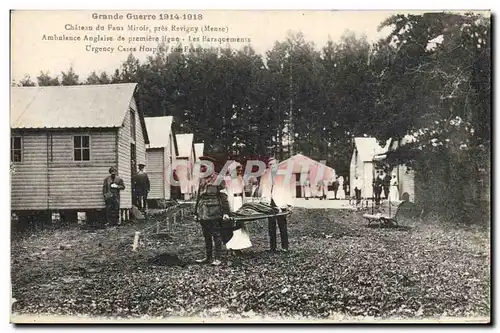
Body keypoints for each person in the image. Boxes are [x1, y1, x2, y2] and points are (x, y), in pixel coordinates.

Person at [194, 157, 231, 266]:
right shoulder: (201, 179)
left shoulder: (218, 178)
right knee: (206, 235)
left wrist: (226, 212)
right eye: (201, 166)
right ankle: (208, 257)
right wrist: (196, 212)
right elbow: (198, 197)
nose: (202, 168)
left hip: (214, 210)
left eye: (204, 166)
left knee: (216, 234)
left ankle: (217, 258)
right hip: (203, 211)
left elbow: (224, 196)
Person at [258, 157, 293, 253]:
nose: (272, 166)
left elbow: (288, 190)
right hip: (269, 203)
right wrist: (263, 200)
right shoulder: (265, 175)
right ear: (268, 166)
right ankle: (272, 247)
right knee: (271, 226)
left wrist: (289, 204)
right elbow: (262, 189)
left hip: (280, 202)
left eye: (274, 164)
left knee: (282, 225)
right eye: (270, 165)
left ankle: (285, 247)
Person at [225, 162, 252, 251]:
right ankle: (233, 246)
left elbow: (243, 192)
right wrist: (230, 206)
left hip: (240, 200)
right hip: (233, 200)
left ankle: (241, 245)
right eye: (237, 169)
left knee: (241, 222)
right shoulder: (228, 179)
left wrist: (245, 203)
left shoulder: (240, 178)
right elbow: (228, 192)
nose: (240, 171)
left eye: (240, 169)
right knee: (234, 222)